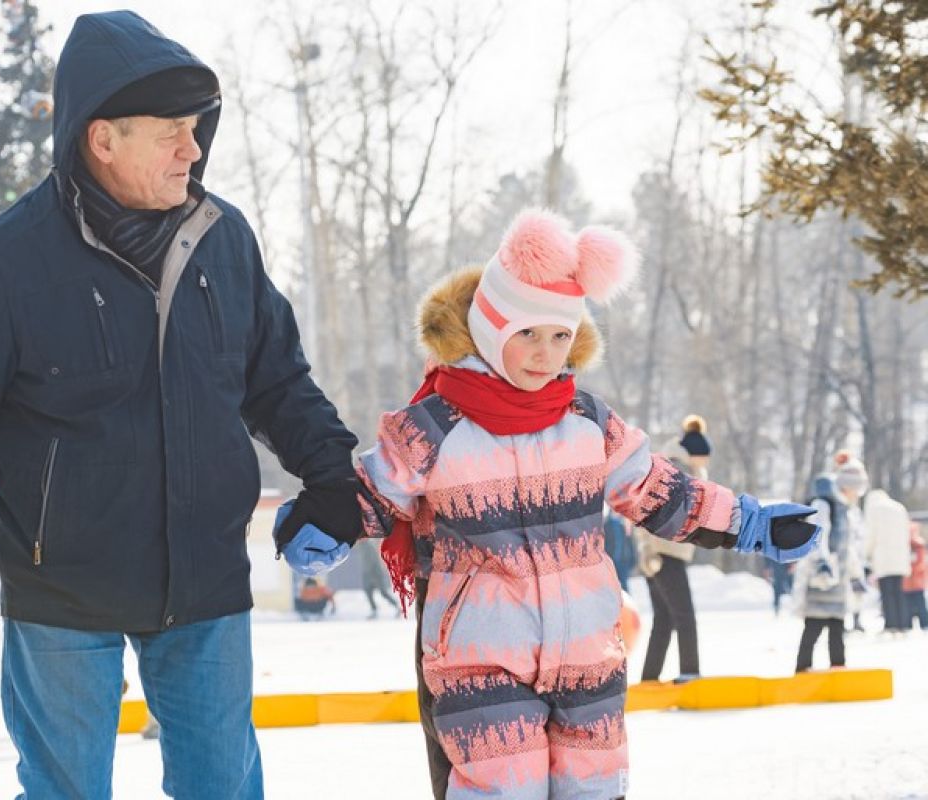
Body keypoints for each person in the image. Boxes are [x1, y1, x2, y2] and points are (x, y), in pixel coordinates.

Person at [0, 11, 359, 798]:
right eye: (172, 130)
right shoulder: (4, 263)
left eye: (198, 128)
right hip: (64, 591)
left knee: (224, 790)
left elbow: (276, 379)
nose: (194, 149)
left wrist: (334, 479)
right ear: (103, 139)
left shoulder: (222, 238)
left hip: (204, 579)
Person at [348, 209, 820, 800]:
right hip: (481, 660)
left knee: (593, 792)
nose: (545, 353)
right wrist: (321, 521)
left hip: (588, 657)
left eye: (559, 336)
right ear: (492, 328)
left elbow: (663, 491)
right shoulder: (436, 425)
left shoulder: (587, 422)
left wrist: (750, 522)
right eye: (527, 333)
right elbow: (371, 491)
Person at [636, 415, 712, 683]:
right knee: (684, 616)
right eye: (705, 458)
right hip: (664, 553)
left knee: (665, 618)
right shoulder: (678, 473)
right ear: (697, 454)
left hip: (656, 553)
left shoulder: (670, 468)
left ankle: (649, 678)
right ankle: (690, 671)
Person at [792, 473, 862, 671]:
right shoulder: (823, 505)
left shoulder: (843, 510)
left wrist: (856, 574)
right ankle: (803, 669)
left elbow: (848, 548)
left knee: (836, 628)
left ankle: (837, 668)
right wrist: (821, 561)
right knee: (814, 626)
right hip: (822, 577)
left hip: (836, 579)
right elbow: (818, 535)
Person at [863, 488, 912, 633]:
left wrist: (866, 554)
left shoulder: (874, 509)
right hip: (900, 556)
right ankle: (903, 624)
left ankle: (890, 624)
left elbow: (871, 534)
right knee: (898, 592)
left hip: (883, 556)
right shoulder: (899, 507)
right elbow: (906, 533)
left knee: (886, 593)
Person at [832, 451, 870, 632]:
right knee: (845, 590)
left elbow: (860, 535)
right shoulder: (840, 508)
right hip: (844, 558)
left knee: (857, 591)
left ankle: (856, 619)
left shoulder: (854, 510)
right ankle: (844, 621)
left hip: (855, 557)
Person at [356, 537, 400, 618]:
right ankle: (374, 610)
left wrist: (372, 574)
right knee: (368, 591)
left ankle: (397, 606)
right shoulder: (361, 546)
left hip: (375, 573)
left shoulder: (368, 546)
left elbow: (373, 561)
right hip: (367, 574)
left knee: (383, 592)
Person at [602, 507, 635, 592]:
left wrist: (633, 559)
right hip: (613, 562)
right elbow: (604, 546)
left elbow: (630, 542)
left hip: (624, 560)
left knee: (624, 588)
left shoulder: (625, 526)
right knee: (615, 588)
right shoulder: (606, 525)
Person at [903, 524, 927, 630]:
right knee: (908, 605)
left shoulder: (918, 545)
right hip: (910, 581)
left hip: (915, 580)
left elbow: (921, 562)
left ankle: (924, 623)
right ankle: (909, 624)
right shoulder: (906, 545)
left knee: (919, 604)